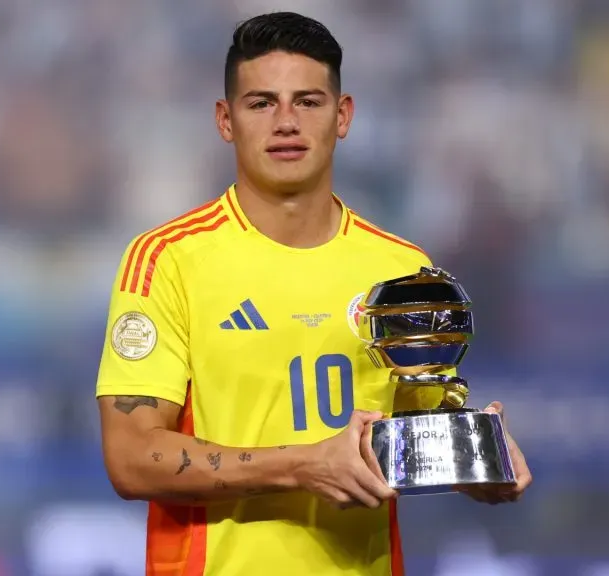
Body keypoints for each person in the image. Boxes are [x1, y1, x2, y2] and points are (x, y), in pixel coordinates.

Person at [95, 12, 532, 576]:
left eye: (307, 101)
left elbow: (411, 441)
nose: (285, 122)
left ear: (343, 115)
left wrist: (476, 458)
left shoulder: (401, 269)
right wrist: (303, 465)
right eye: (261, 103)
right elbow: (131, 459)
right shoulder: (167, 261)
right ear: (225, 121)